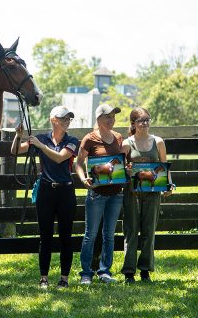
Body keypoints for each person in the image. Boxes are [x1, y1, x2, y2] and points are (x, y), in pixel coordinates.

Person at [11, 105, 80, 289]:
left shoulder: (72, 140)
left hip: (66, 192)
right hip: (46, 192)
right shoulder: (41, 138)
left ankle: (64, 279)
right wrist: (18, 135)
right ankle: (44, 278)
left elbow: (60, 158)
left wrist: (40, 146)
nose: (67, 122)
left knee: (66, 237)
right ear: (53, 120)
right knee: (46, 237)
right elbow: (16, 151)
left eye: (69, 119)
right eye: (64, 118)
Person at [120, 107, 172, 284]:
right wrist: (126, 170)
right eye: (141, 120)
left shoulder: (158, 142)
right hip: (132, 192)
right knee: (131, 230)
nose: (144, 123)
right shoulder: (127, 143)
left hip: (153, 192)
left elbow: (164, 165)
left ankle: (145, 270)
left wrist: (168, 184)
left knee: (149, 231)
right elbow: (120, 169)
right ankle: (129, 272)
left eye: (147, 120)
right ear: (133, 124)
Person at [75, 104, 124, 285]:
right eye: (107, 117)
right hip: (96, 194)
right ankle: (86, 273)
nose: (111, 120)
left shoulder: (119, 137)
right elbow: (79, 163)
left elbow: (121, 163)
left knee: (109, 235)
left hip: (116, 194)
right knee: (91, 234)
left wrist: (125, 169)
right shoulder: (89, 139)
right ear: (98, 119)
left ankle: (105, 271)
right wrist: (83, 178)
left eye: (113, 117)